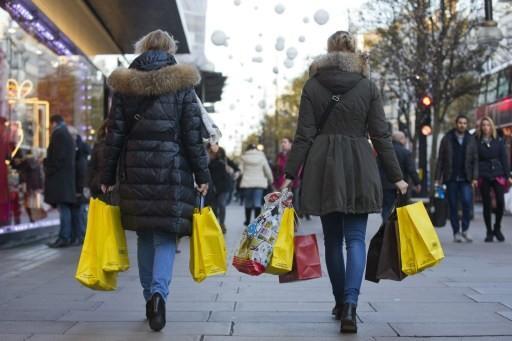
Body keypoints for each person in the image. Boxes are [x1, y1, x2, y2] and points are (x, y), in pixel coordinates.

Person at [282, 31, 407, 334]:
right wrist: (397, 176)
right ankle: (351, 304)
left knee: (333, 240)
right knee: (355, 239)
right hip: (358, 164)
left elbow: (304, 134)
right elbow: (380, 135)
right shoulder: (367, 85)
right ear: (354, 52)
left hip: (323, 165)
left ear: (328, 52)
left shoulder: (313, 85)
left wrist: (289, 174)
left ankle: (340, 302)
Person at [100, 29, 210, 332]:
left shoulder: (124, 85)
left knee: (145, 235)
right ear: (170, 49)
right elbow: (192, 136)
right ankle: (159, 295)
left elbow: (115, 134)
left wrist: (106, 175)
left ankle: (149, 295)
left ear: (143, 48)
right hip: (172, 169)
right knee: (164, 235)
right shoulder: (184, 85)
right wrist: (202, 175)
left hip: (135, 168)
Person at [435, 114, 478, 243]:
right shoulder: (447, 138)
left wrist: (475, 177)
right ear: (456, 124)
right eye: (460, 123)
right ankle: (456, 232)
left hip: (466, 178)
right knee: (453, 205)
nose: (462, 125)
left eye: (465, 123)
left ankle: (465, 229)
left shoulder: (471, 139)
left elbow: (475, 160)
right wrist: (438, 177)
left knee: (466, 203)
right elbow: (441, 160)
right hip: (451, 177)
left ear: (467, 125)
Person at [476, 116, 512, 242]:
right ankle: (489, 232)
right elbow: (474, 160)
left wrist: (508, 176)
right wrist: (475, 177)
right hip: (483, 173)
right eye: (483, 125)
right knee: (486, 204)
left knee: (501, 202)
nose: (486, 127)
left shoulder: (499, 141)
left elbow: (504, 159)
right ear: (481, 127)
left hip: (498, 172)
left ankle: (497, 228)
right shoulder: (477, 141)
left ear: (491, 127)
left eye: (488, 125)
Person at [44, 114, 77, 248]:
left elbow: (58, 156)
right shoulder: (66, 133)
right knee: (65, 208)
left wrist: (48, 168)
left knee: (63, 208)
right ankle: (66, 236)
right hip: (65, 179)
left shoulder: (59, 133)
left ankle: (64, 237)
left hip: (60, 179)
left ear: (54, 123)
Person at [379, 131, 421, 221]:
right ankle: (397, 229)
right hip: (402, 186)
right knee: (400, 208)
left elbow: (378, 168)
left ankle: (386, 227)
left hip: (386, 185)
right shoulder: (406, 153)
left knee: (386, 207)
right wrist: (417, 183)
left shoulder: (384, 152)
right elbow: (411, 170)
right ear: (401, 139)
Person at [239, 144, 273, 225]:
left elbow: (241, 170)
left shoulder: (244, 157)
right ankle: (257, 222)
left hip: (247, 182)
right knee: (257, 202)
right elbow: (267, 169)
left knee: (248, 202)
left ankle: (247, 221)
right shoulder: (261, 157)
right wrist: (270, 179)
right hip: (259, 183)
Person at [208, 143, 237, 233]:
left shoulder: (224, 157)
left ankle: (222, 224)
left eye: (216, 145)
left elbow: (236, 168)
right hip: (212, 185)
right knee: (213, 207)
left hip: (224, 185)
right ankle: (214, 224)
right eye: (212, 146)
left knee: (221, 204)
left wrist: (234, 172)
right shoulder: (208, 157)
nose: (214, 147)